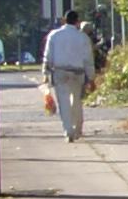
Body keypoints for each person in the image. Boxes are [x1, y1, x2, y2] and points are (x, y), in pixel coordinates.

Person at [40, 10, 101, 142]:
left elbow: (48, 55)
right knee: (77, 101)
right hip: (78, 72)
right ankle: (77, 127)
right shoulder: (83, 37)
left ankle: (68, 131)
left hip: (60, 72)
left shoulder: (54, 35)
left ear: (64, 20)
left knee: (64, 102)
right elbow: (88, 59)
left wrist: (45, 72)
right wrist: (91, 78)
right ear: (77, 21)